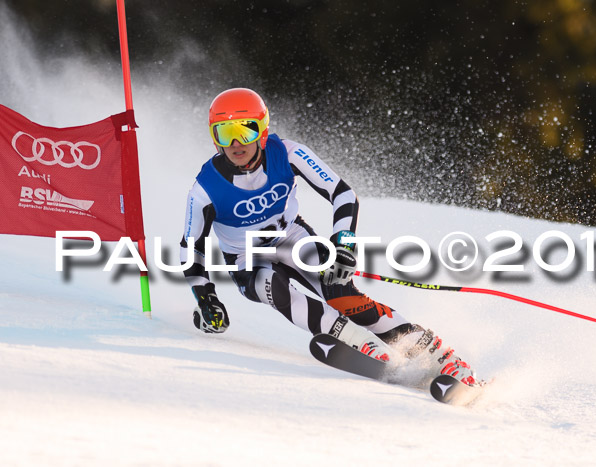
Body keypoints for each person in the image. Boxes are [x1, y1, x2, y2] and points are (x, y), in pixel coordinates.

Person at [180, 88, 477, 387]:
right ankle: (360, 344)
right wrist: (206, 298)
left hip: (292, 239)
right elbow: (190, 248)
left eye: (245, 131)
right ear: (213, 137)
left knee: (341, 293)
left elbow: (343, 194)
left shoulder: (288, 153)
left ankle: (441, 357)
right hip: (246, 260)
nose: (235, 143)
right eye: (224, 132)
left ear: (263, 129)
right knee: (274, 287)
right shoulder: (205, 189)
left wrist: (344, 244)